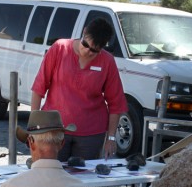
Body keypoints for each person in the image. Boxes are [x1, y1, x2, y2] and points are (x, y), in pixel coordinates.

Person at [30, 17, 128, 161]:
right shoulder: (59, 48)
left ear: (102, 48)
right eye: (85, 44)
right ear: (84, 32)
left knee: (84, 181)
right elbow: (39, 88)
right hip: (55, 130)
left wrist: (111, 138)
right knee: (51, 176)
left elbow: (116, 103)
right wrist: (34, 127)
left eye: (94, 50)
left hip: (91, 135)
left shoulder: (107, 61)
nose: (87, 51)